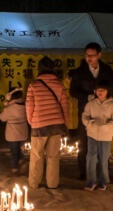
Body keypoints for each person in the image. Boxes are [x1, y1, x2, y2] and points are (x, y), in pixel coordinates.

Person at [69, 42, 113, 180]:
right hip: (87, 110)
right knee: (84, 142)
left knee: (104, 141)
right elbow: (73, 91)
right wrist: (87, 96)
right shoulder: (80, 71)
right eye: (87, 55)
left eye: (92, 55)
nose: (89, 58)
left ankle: (104, 171)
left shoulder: (106, 70)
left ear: (99, 55)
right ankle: (84, 172)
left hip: (104, 111)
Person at [25, 57, 69, 190]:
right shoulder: (59, 85)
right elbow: (65, 106)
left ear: (39, 69)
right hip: (56, 124)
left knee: (36, 156)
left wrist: (32, 122)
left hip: (39, 124)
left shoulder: (34, 85)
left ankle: (34, 183)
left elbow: (29, 106)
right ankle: (52, 184)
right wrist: (65, 124)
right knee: (53, 156)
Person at [81, 82, 113, 191]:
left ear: (108, 91)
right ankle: (91, 181)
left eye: (103, 90)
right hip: (92, 134)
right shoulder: (91, 104)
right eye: (98, 90)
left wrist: (108, 125)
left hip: (106, 136)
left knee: (103, 159)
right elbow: (84, 115)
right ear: (95, 91)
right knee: (91, 158)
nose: (100, 92)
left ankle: (103, 181)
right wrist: (89, 123)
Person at [0, 88, 29, 173]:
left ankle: (15, 168)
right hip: (23, 131)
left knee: (14, 151)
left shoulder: (9, 108)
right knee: (18, 148)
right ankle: (22, 161)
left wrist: (6, 106)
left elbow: (2, 118)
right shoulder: (26, 106)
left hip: (12, 133)